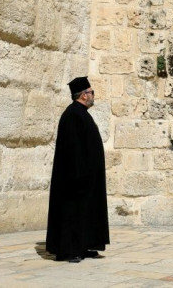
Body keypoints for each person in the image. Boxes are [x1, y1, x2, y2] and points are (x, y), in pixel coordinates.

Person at [46, 77, 109, 263]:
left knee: (84, 213)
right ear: (83, 95)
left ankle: (82, 245)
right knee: (71, 213)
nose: (93, 96)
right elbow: (73, 149)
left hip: (85, 178)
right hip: (75, 178)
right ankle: (69, 250)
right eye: (91, 92)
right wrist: (80, 175)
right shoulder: (73, 114)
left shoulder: (80, 113)